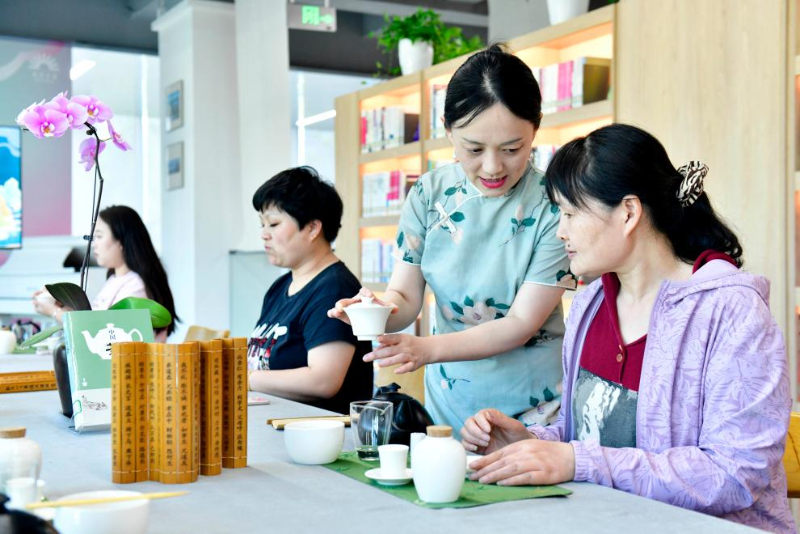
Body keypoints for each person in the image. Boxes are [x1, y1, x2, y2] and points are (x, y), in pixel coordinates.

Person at [460, 124, 794, 533]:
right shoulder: (588, 306)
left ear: (629, 213)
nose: (561, 231)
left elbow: (736, 473)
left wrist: (576, 461)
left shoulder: (731, 311)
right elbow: (591, 435)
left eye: (570, 213)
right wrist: (532, 443)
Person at [329, 44, 575, 435]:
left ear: (536, 128)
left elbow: (521, 323)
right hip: (449, 400)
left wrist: (425, 349)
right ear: (447, 130)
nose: (493, 167)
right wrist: (374, 310)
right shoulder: (428, 194)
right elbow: (405, 297)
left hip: (532, 407)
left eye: (512, 149)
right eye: (474, 149)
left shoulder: (554, 204)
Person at [247, 166, 373, 415]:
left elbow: (323, 380)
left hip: (323, 434)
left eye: (273, 224)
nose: (264, 235)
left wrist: (246, 378)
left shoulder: (335, 289)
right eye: (262, 224)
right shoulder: (280, 287)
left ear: (313, 228)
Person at [32, 205, 179, 342]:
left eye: (99, 236)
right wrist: (60, 302)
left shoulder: (136, 287)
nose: (94, 244)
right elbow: (94, 322)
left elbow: (108, 336)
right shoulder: (114, 279)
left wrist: (55, 312)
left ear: (121, 241)